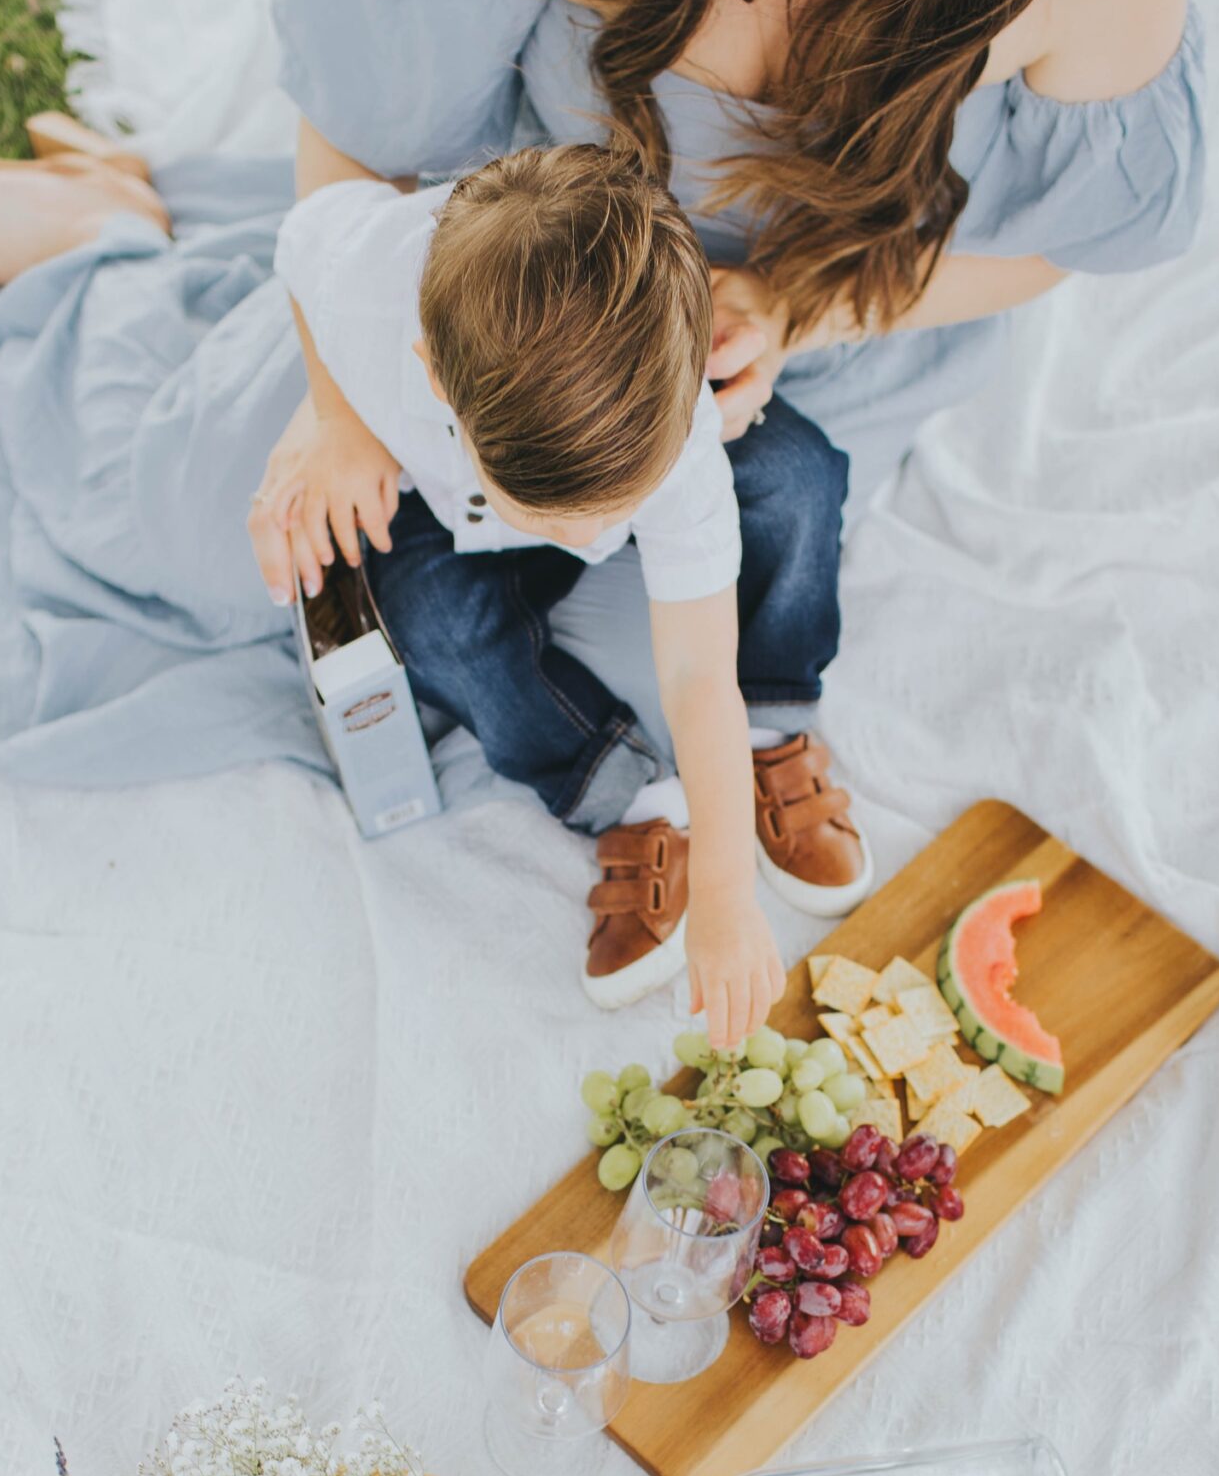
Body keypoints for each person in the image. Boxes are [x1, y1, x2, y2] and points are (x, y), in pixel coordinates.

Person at [0, 0, 1200, 869]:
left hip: (806, 322)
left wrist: (799, 304)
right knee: (231, 546)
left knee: (665, 661)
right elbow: (356, 139)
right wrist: (339, 410)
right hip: (499, 277)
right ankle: (102, 231)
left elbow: (1057, 243)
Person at [271, 143, 866, 1034]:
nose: (595, 544)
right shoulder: (367, 269)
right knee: (426, 622)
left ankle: (772, 726)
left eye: (616, 512)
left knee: (799, 477)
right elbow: (297, 248)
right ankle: (629, 793)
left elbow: (697, 673)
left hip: (648, 452)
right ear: (434, 375)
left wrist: (726, 894)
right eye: (561, 518)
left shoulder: (686, 434)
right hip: (448, 513)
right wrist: (337, 417)